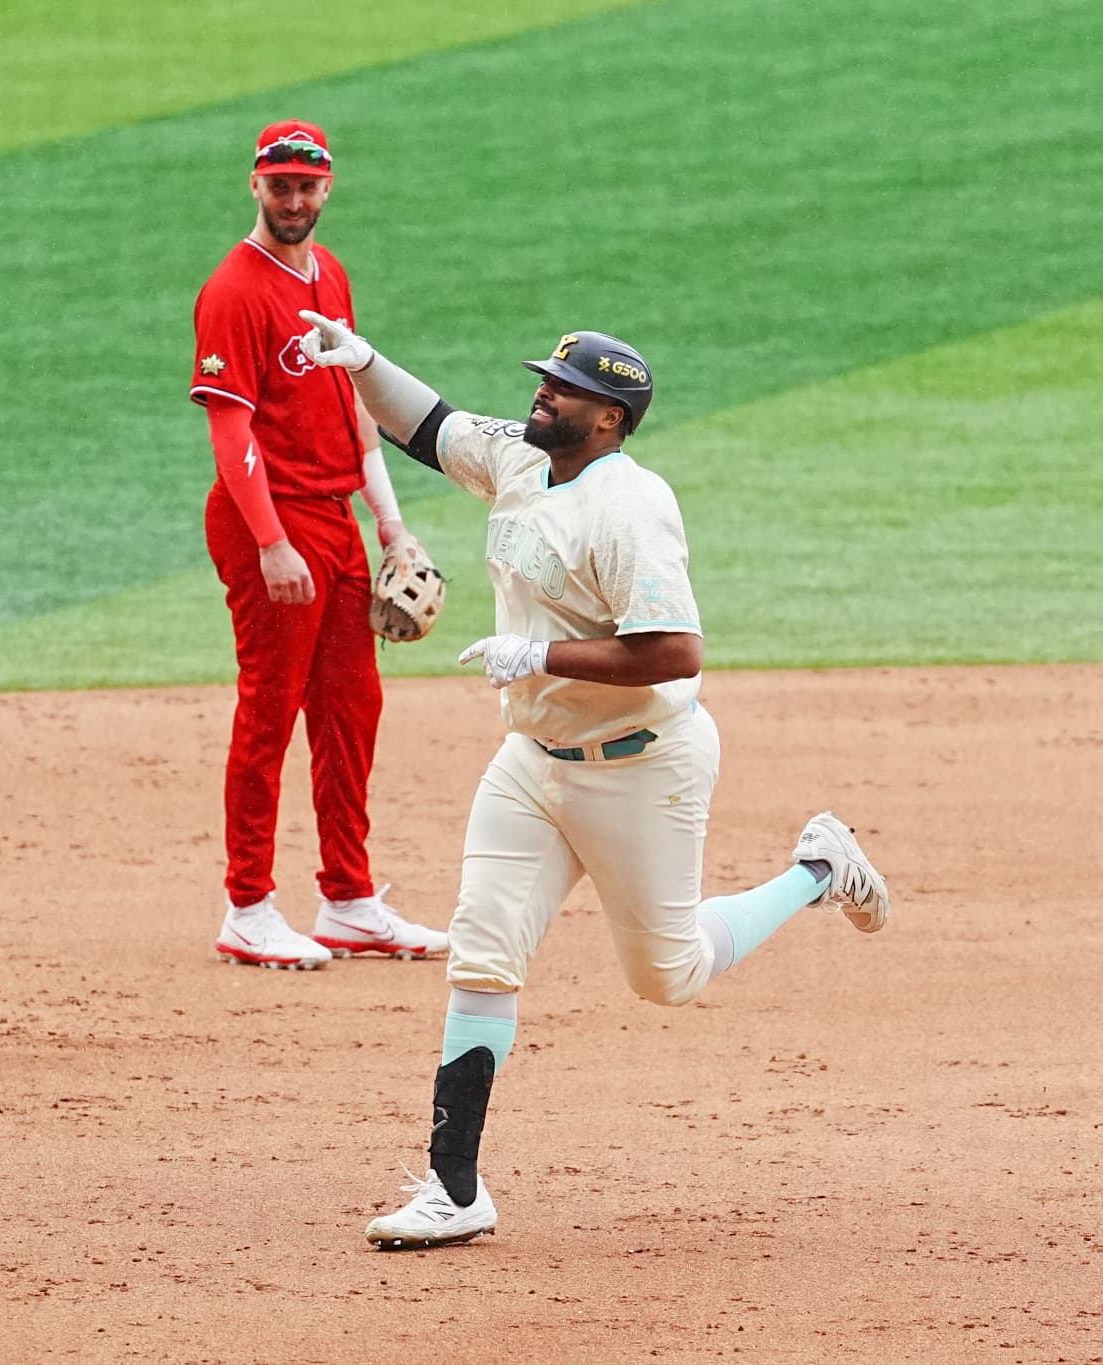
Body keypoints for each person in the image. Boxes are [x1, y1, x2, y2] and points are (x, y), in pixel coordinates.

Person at [296, 309, 894, 1248]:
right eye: (547, 378)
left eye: (567, 389)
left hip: (642, 770)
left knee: (669, 976)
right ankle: (455, 1190)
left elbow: (674, 650)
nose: (544, 393)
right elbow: (430, 424)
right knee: (482, 950)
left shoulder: (632, 508)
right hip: (532, 765)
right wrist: (361, 360)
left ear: (611, 419)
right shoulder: (522, 457)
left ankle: (820, 869)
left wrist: (538, 653)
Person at [188, 121, 448, 969]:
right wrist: (270, 541)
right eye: (280, 186)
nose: (294, 201)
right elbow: (234, 432)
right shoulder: (233, 290)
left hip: (333, 517)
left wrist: (390, 519)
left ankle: (348, 897)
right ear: (254, 186)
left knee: (350, 706)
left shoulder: (329, 273)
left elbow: (355, 406)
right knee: (271, 704)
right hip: (269, 518)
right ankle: (248, 904)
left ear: (328, 187)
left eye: (308, 186)